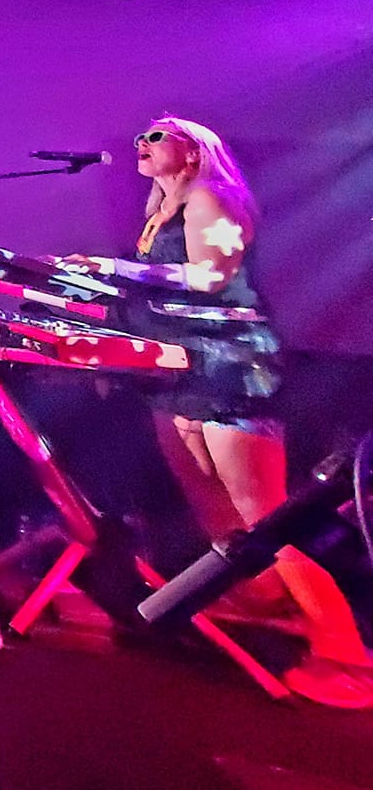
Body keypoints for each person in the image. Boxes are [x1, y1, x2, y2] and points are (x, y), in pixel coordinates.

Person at [71, 116, 372, 708]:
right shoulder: (164, 208)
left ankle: (346, 655)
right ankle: (259, 596)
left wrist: (113, 270)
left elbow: (212, 278)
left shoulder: (211, 196)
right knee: (210, 501)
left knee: (264, 513)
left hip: (229, 367)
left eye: (156, 135)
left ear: (194, 148)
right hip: (180, 362)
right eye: (141, 137)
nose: (142, 144)